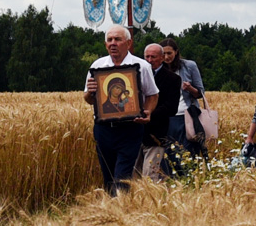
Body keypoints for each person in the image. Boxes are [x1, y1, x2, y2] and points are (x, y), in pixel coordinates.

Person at [84, 22, 157, 195]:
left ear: (128, 43)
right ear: (105, 44)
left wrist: (148, 111)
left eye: (117, 39)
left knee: (122, 174)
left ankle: (121, 208)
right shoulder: (97, 66)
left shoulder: (142, 66)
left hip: (131, 127)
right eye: (109, 40)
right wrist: (91, 92)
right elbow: (88, 99)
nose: (113, 43)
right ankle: (112, 211)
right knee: (108, 175)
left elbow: (153, 95)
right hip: (104, 129)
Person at [163, 38, 208, 161]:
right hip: (168, 117)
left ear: (176, 52)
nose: (166, 57)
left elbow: (200, 93)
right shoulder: (159, 69)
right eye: (163, 54)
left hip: (187, 115)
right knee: (170, 154)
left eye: (169, 53)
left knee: (189, 153)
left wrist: (190, 89)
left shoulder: (189, 66)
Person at [144, 42, 184, 176]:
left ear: (162, 58)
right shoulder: (136, 75)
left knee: (150, 175)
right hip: (135, 134)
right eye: (147, 57)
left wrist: (149, 114)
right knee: (133, 176)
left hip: (156, 132)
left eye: (153, 57)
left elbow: (171, 108)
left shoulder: (173, 79)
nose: (150, 60)